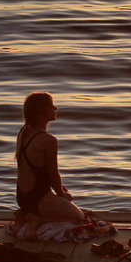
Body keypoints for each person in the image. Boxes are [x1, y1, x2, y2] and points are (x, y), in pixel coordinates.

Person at [15, 92, 86, 228]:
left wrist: (62, 191)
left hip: (23, 199)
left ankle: (27, 214)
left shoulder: (23, 133)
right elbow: (53, 173)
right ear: (40, 113)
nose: (56, 108)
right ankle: (39, 220)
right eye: (51, 106)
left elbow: (40, 174)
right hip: (40, 200)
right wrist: (62, 195)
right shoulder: (48, 140)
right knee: (79, 218)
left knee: (68, 206)